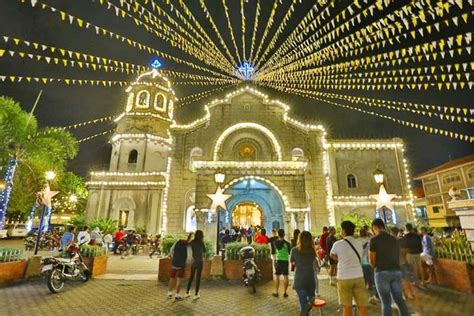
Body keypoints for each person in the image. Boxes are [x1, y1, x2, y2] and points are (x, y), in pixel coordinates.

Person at [370, 219, 410, 316]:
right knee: (399, 300)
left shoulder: (374, 240)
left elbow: (372, 260)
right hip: (396, 271)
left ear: (375, 228)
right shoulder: (394, 239)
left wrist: (375, 267)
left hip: (381, 272)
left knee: (386, 302)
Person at [330, 221, 368, 316]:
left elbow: (332, 255)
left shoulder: (338, 244)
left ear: (343, 231)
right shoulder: (359, 243)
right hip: (359, 276)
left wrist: (340, 259)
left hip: (344, 277)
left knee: (347, 306)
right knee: (362, 305)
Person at [290, 231, 317, 316]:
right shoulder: (312, 251)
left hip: (299, 279)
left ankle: (305, 308)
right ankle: (310, 302)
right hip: (310, 279)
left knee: (303, 304)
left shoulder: (294, 250)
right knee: (310, 298)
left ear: (299, 239)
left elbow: (292, 262)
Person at [168, 233, 192, 301]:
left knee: (172, 278)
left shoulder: (177, 242)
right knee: (179, 279)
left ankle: (169, 293)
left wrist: (174, 257)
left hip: (174, 263)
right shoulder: (188, 245)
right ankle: (177, 295)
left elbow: (171, 250)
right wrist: (187, 262)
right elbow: (189, 256)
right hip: (181, 264)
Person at [359, 226, 377, 304]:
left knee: (363, 281)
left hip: (361, 263)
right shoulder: (370, 240)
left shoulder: (357, 241)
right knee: (371, 280)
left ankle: (362, 297)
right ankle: (372, 296)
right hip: (370, 262)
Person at [186, 230, 206, 300]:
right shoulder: (201, 243)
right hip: (200, 261)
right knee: (198, 278)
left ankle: (187, 292)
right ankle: (196, 294)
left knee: (191, 276)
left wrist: (189, 236)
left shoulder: (192, 242)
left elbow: (186, 244)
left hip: (193, 261)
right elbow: (204, 251)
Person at [272, 229, 291, 298]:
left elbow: (274, 252)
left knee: (277, 276)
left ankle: (276, 292)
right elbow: (289, 252)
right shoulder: (287, 244)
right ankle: (285, 292)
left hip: (278, 260)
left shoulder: (275, 243)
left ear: (278, 234)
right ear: (284, 235)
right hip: (285, 261)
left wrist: (274, 260)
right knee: (286, 276)